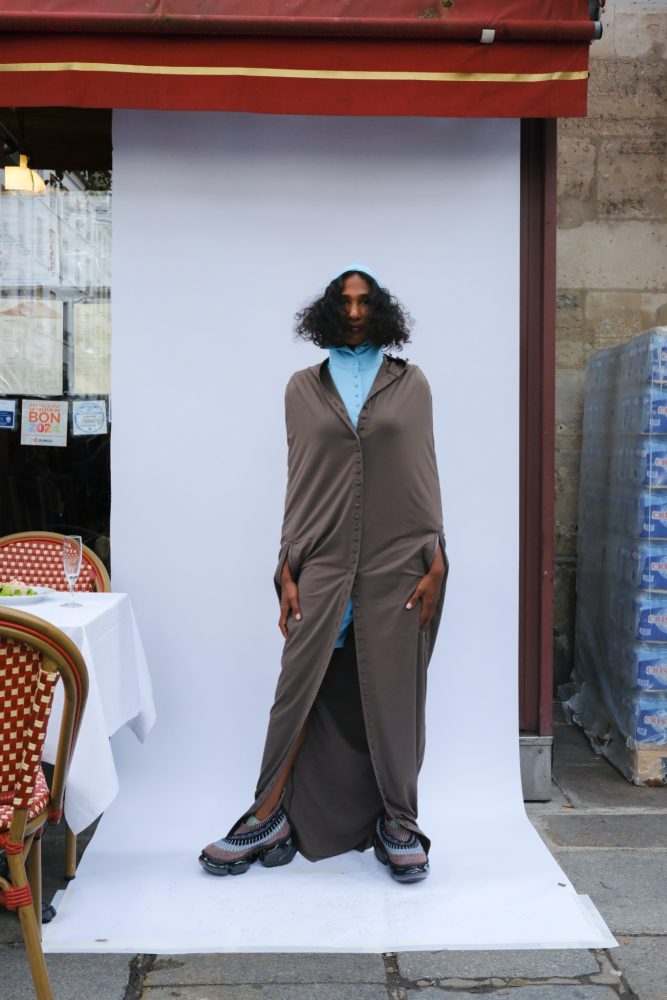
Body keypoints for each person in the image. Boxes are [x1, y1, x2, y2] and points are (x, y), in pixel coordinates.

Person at [199, 263, 448, 884]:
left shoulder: (411, 383)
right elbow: (301, 480)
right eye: (345, 301)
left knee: (395, 693)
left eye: (365, 302)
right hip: (322, 559)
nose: (355, 312)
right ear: (329, 311)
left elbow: (424, 473)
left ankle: (399, 822)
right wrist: (287, 566)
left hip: (397, 563)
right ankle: (267, 815)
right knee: (298, 689)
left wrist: (437, 556)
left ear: (380, 310)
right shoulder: (302, 388)